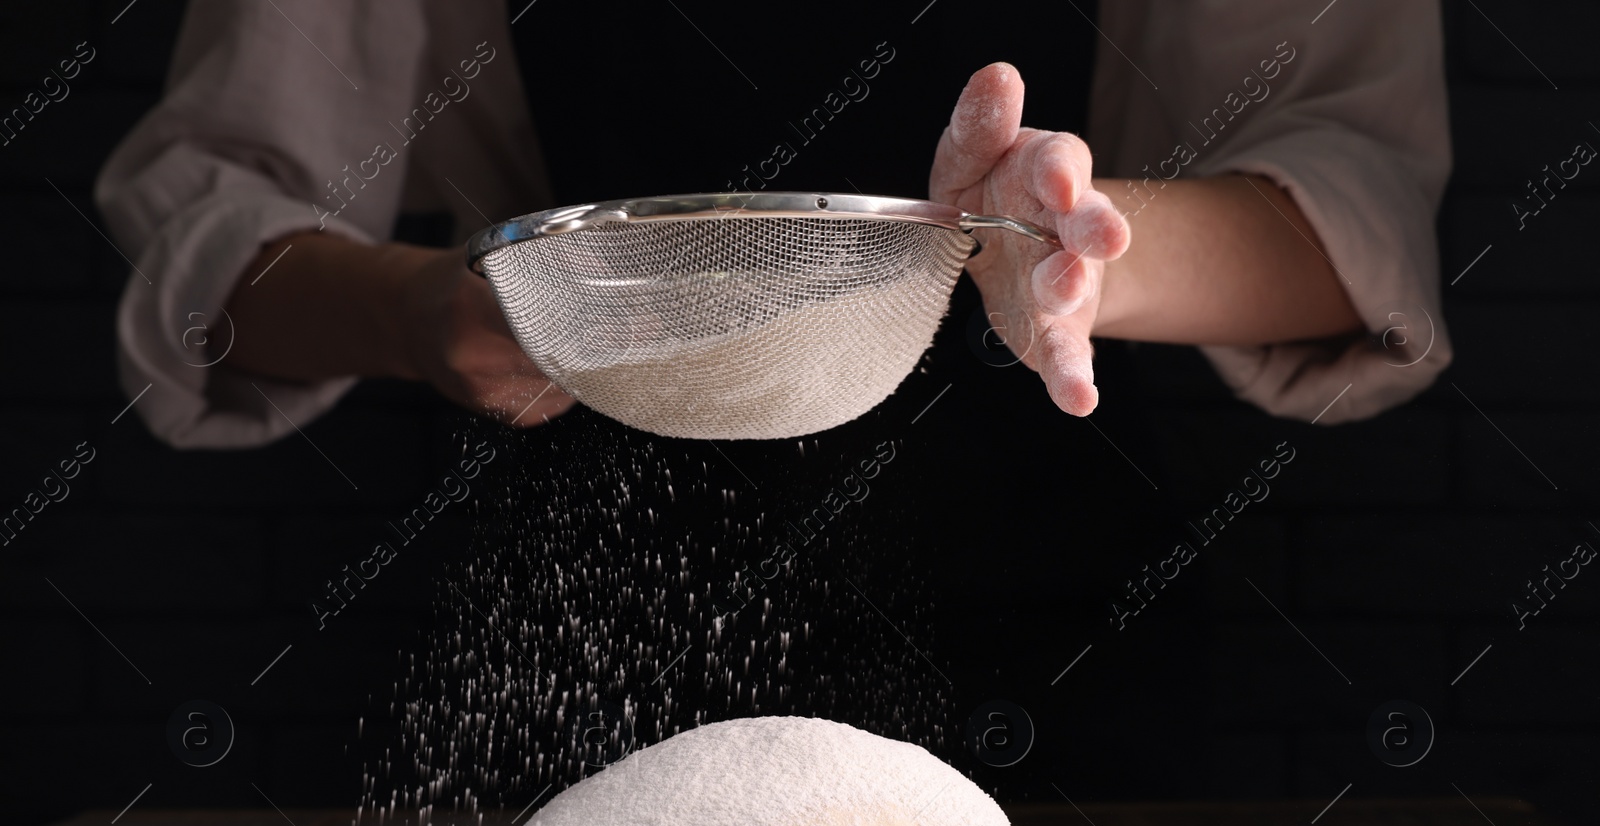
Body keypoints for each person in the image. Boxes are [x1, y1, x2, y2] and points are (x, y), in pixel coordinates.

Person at [95, 1, 1450, 449]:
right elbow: (212, 230)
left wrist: (1071, 248)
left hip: (1086, 617)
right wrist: (423, 312)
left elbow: (1361, 217)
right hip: (576, 526)